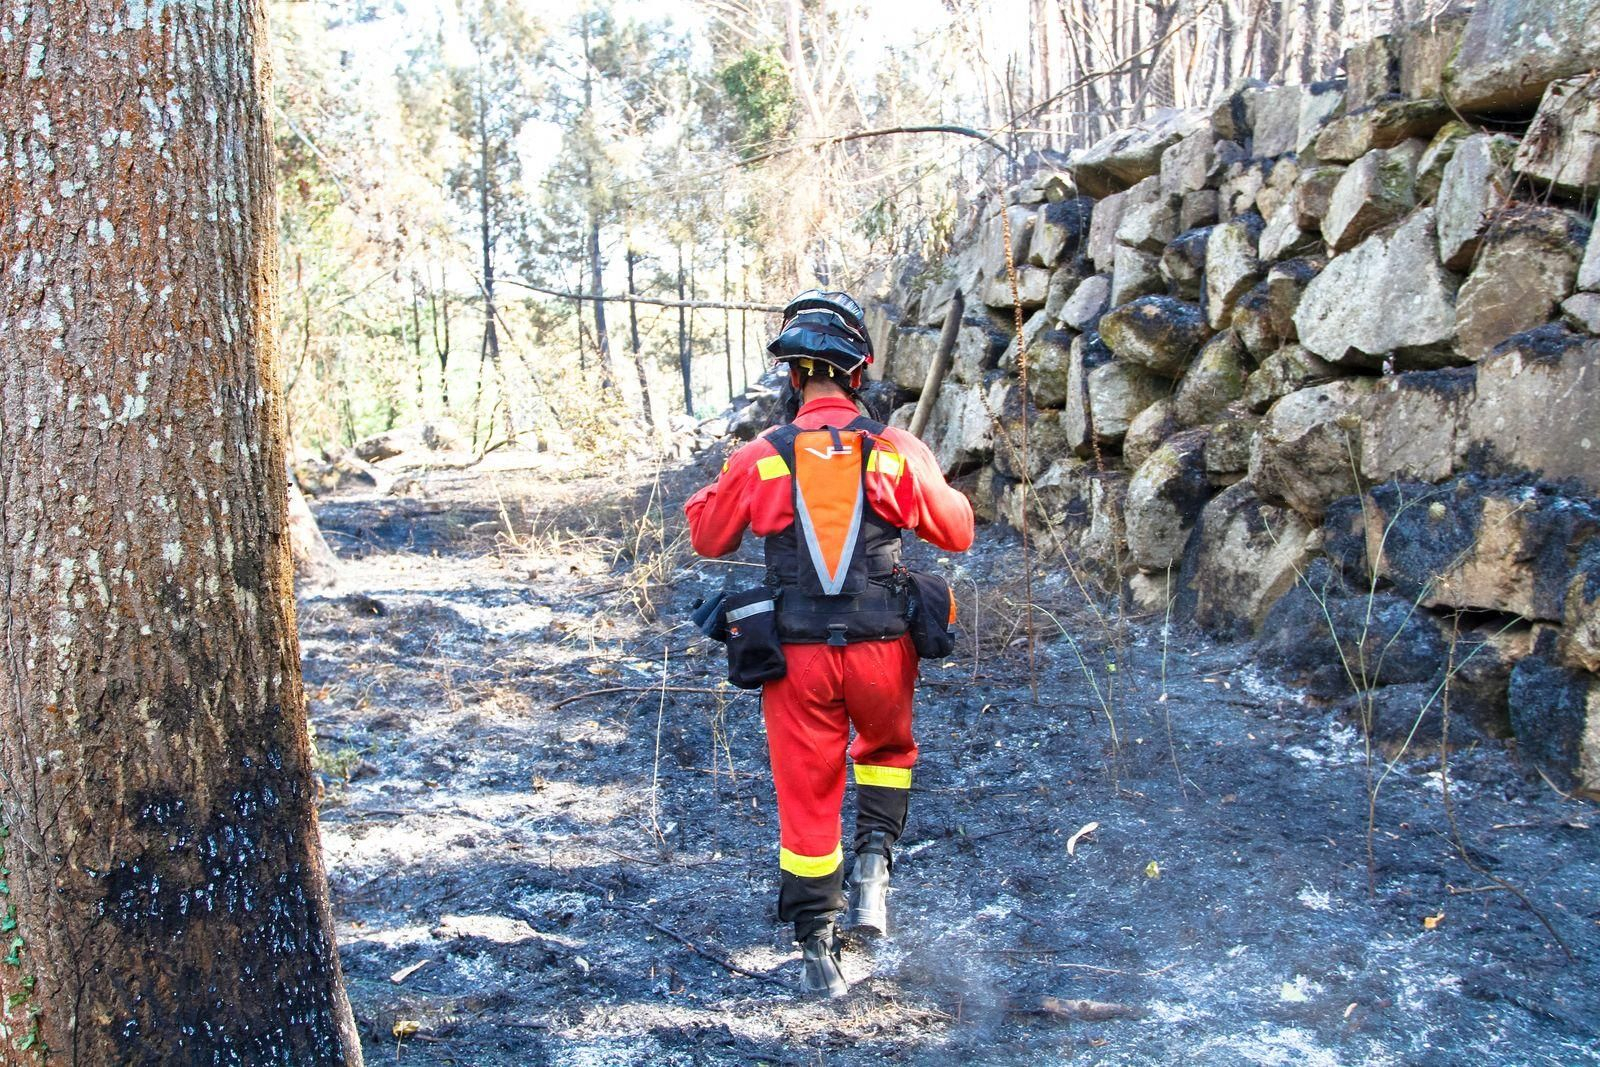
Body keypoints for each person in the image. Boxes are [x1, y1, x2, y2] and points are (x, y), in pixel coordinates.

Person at [684, 289, 976, 996]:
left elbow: (708, 535)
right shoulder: (895, 448)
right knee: (886, 751)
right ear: (860, 374)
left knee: (808, 794)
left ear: (794, 379)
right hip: (884, 651)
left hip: (797, 659)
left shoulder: (761, 456)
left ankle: (819, 949)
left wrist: (715, 487)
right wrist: (922, 469)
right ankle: (874, 865)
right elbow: (958, 531)